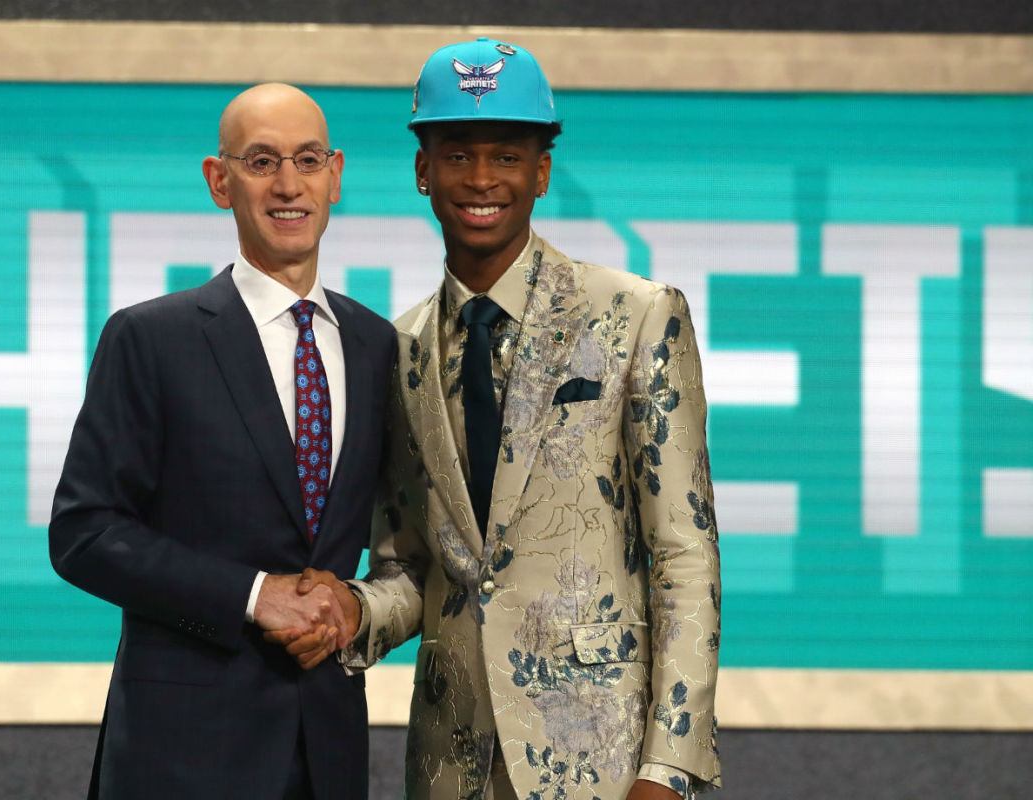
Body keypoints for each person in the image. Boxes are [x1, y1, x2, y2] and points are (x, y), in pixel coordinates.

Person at [277, 39, 722, 800]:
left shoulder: (637, 315)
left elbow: (684, 554)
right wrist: (351, 609)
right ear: (423, 170)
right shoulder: (398, 349)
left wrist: (670, 767)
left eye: (507, 156)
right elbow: (414, 569)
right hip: (450, 764)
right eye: (457, 154)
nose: (481, 179)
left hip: (604, 765)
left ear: (541, 171)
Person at [48, 83, 396, 800]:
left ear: (336, 174)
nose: (289, 185)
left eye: (306, 160)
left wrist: (351, 606)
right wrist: (252, 594)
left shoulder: (378, 346)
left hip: (326, 748)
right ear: (219, 180)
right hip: (179, 754)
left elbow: (405, 543)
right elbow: (84, 532)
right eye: (262, 161)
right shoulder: (150, 338)